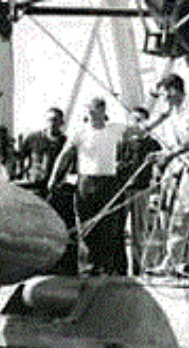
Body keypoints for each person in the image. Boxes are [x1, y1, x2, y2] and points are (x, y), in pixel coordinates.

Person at [49, 97, 127, 275]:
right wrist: (53, 178)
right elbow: (65, 155)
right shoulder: (80, 131)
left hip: (108, 182)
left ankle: (106, 267)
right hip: (86, 182)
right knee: (86, 225)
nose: (90, 114)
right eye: (89, 110)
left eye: (93, 110)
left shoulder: (115, 129)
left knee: (108, 226)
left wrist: (164, 115)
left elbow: (141, 130)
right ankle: (89, 267)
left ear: (102, 111)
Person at [146, 73, 189, 276]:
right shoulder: (174, 112)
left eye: (163, 94)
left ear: (173, 90)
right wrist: (163, 154)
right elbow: (177, 144)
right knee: (180, 218)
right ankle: (170, 263)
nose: (162, 99)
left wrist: (172, 154)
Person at [116, 106, 162, 274]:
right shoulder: (122, 143)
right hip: (122, 191)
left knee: (138, 231)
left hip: (141, 191)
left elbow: (161, 166)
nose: (136, 124)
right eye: (133, 120)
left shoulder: (153, 144)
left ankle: (137, 268)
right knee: (118, 230)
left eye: (139, 120)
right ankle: (119, 269)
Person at [17, 107, 67, 197]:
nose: (51, 123)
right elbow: (20, 157)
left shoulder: (66, 143)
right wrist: (21, 172)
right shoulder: (33, 138)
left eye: (55, 120)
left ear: (62, 123)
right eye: (49, 120)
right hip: (34, 185)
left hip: (55, 188)